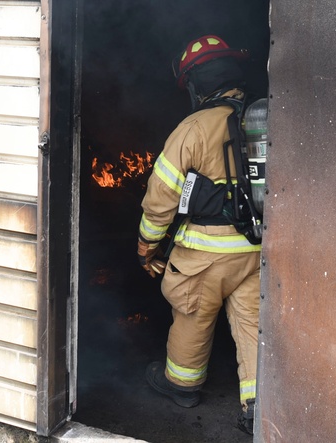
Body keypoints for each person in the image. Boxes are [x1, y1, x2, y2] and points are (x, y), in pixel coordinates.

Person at [136, 34, 261, 435]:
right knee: (253, 324)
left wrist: (146, 246)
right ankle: (258, 404)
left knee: (191, 314)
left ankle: (182, 384)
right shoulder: (261, 118)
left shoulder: (193, 128)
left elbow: (161, 197)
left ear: (196, 83)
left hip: (204, 255)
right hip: (256, 249)